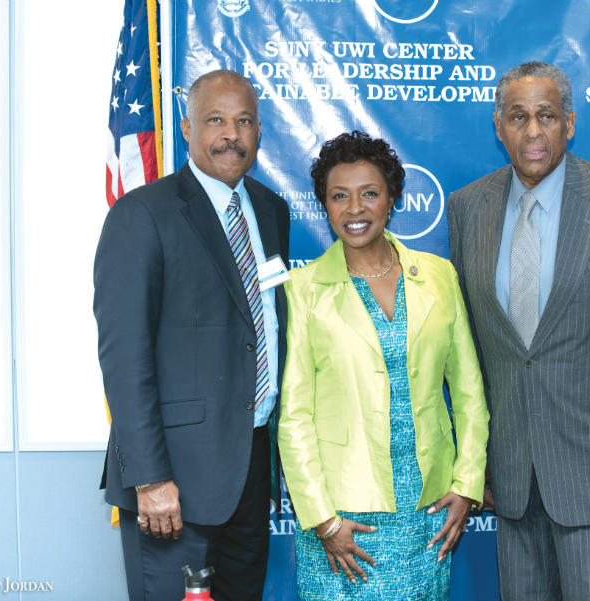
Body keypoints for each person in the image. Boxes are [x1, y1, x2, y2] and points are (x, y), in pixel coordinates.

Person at [447, 60, 590, 600]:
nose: (533, 131)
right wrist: (474, 459)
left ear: (569, 123)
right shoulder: (467, 208)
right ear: (499, 124)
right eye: (519, 116)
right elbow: (473, 353)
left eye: (547, 116)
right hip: (510, 471)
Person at [93, 69, 289, 601]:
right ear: (186, 127)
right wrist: (151, 479)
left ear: (259, 131)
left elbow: (260, 324)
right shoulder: (141, 215)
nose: (232, 134)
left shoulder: (271, 211)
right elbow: (124, 358)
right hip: (173, 480)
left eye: (245, 121)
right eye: (216, 120)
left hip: (250, 467)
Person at [278, 130, 489, 600]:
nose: (355, 209)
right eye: (339, 196)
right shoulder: (303, 289)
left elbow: (470, 392)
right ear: (324, 205)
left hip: (429, 512)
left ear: (391, 198)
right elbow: (293, 418)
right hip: (343, 521)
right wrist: (323, 519)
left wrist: (468, 482)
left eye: (369, 193)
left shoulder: (438, 275)